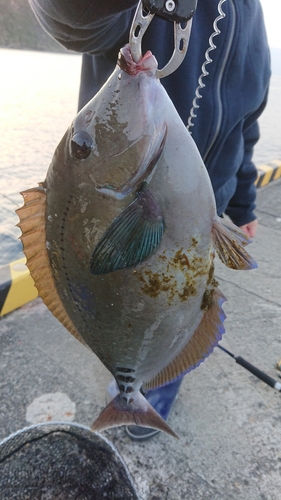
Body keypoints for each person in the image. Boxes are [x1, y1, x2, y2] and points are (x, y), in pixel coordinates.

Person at [29, 0, 271, 440]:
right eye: (85, 146)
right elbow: (72, 16)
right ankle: (133, 384)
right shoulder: (136, 15)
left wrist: (243, 206)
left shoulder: (250, 18)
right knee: (134, 315)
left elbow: (245, 124)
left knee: (183, 311)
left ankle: (150, 385)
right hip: (146, 218)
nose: (86, 140)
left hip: (204, 217)